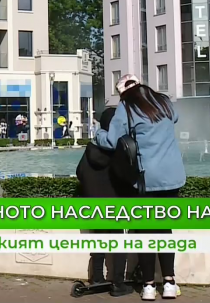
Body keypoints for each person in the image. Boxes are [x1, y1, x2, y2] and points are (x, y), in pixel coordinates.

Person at [96, 74, 186, 301]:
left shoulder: (126, 107)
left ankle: (148, 286)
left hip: (148, 180)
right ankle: (169, 283)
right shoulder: (164, 101)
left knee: (145, 232)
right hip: (173, 177)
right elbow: (173, 119)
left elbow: (111, 140)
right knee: (165, 230)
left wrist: (98, 134)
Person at [76, 107, 134, 297]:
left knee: (99, 241)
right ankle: (118, 283)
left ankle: (98, 278)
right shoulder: (119, 148)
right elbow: (127, 177)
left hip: (93, 204)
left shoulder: (90, 147)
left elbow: (80, 172)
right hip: (115, 204)